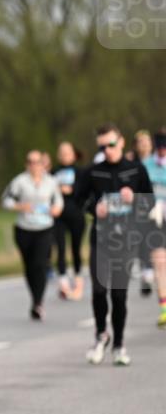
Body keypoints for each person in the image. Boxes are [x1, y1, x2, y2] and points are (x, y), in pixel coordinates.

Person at [74, 124, 154, 366]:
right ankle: (101, 335)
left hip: (126, 240)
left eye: (110, 145)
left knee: (119, 296)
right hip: (101, 238)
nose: (107, 150)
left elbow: (149, 204)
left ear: (120, 142)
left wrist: (135, 199)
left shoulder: (135, 170)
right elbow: (78, 201)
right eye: (102, 146)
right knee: (99, 291)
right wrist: (94, 209)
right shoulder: (93, 172)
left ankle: (119, 344)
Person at [2, 150, 64, 320]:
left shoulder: (51, 181)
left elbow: (58, 201)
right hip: (24, 229)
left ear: (43, 164)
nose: (34, 165)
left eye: (37, 161)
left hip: (44, 228)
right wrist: (20, 206)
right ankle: (35, 298)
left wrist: (56, 209)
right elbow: (6, 201)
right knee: (29, 267)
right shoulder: (19, 181)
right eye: (30, 161)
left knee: (40, 264)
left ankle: (38, 303)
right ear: (26, 164)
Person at [52, 141, 87, 301]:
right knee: (60, 248)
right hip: (58, 217)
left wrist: (71, 190)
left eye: (68, 152)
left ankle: (78, 278)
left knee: (75, 248)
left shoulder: (81, 172)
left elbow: (83, 192)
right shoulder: (53, 172)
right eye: (62, 152)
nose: (64, 155)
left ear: (74, 154)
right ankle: (63, 281)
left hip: (76, 215)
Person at [144, 129, 166, 327]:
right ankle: (164, 309)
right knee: (160, 263)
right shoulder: (146, 165)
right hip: (155, 220)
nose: (162, 152)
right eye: (159, 149)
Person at [133, 130, 157, 297]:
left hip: (159, 206)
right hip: (140, 206)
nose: (144, 144)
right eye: (141, 142)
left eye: (147, 141)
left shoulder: (158, 162)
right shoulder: (132, 164)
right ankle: (146, 273)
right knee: (142, 240)